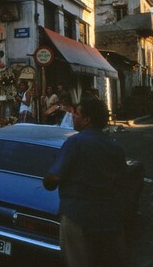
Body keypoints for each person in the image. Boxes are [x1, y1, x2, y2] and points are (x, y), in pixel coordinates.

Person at [43, 98, 128, 267]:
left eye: (76, 113)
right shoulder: (114, 147)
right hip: (108, 217)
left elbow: (53, 178)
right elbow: (122, 182)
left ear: (87, 119)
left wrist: (48, 180)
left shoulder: (75, 142)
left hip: (77, 216)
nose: (73, 116)